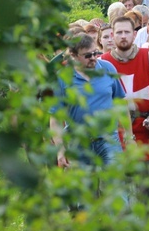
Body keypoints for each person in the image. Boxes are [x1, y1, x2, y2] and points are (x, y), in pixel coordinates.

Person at [50, 34, 127, 170]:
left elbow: (121, 103)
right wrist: (60, 151)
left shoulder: (108, 68)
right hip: (78, 143)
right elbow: (55, 119)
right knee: (85, 189)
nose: (93, 58)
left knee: (115, 187)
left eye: (95, 53)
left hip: (108, 140)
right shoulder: (62, 78)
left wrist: (129, 137)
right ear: (73, 56)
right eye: (87, 55)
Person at [101, 17, 149, 149]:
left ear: (134, 34)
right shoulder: (103, 64)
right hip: (114, 135)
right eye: (119, 32)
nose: (123, 36)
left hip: (146, 131)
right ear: (112, 35)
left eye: (127, 32)